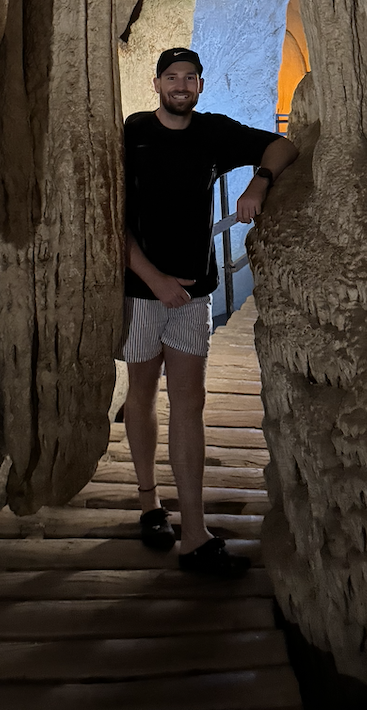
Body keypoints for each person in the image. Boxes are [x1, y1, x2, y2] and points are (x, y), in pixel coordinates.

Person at [120, 46, 298, 576]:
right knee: (142, 393)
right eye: (171, 77)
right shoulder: (133, 134)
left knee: (189, 403)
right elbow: (110, 215)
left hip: (193, 293)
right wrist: (155, 280)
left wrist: (259, 182)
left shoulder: (212, 132)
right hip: (140, 290)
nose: (181, 85)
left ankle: (194, 533)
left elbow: (282, 145)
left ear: (200, 85)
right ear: (157, 84)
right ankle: (150, 504)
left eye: (189, 78)